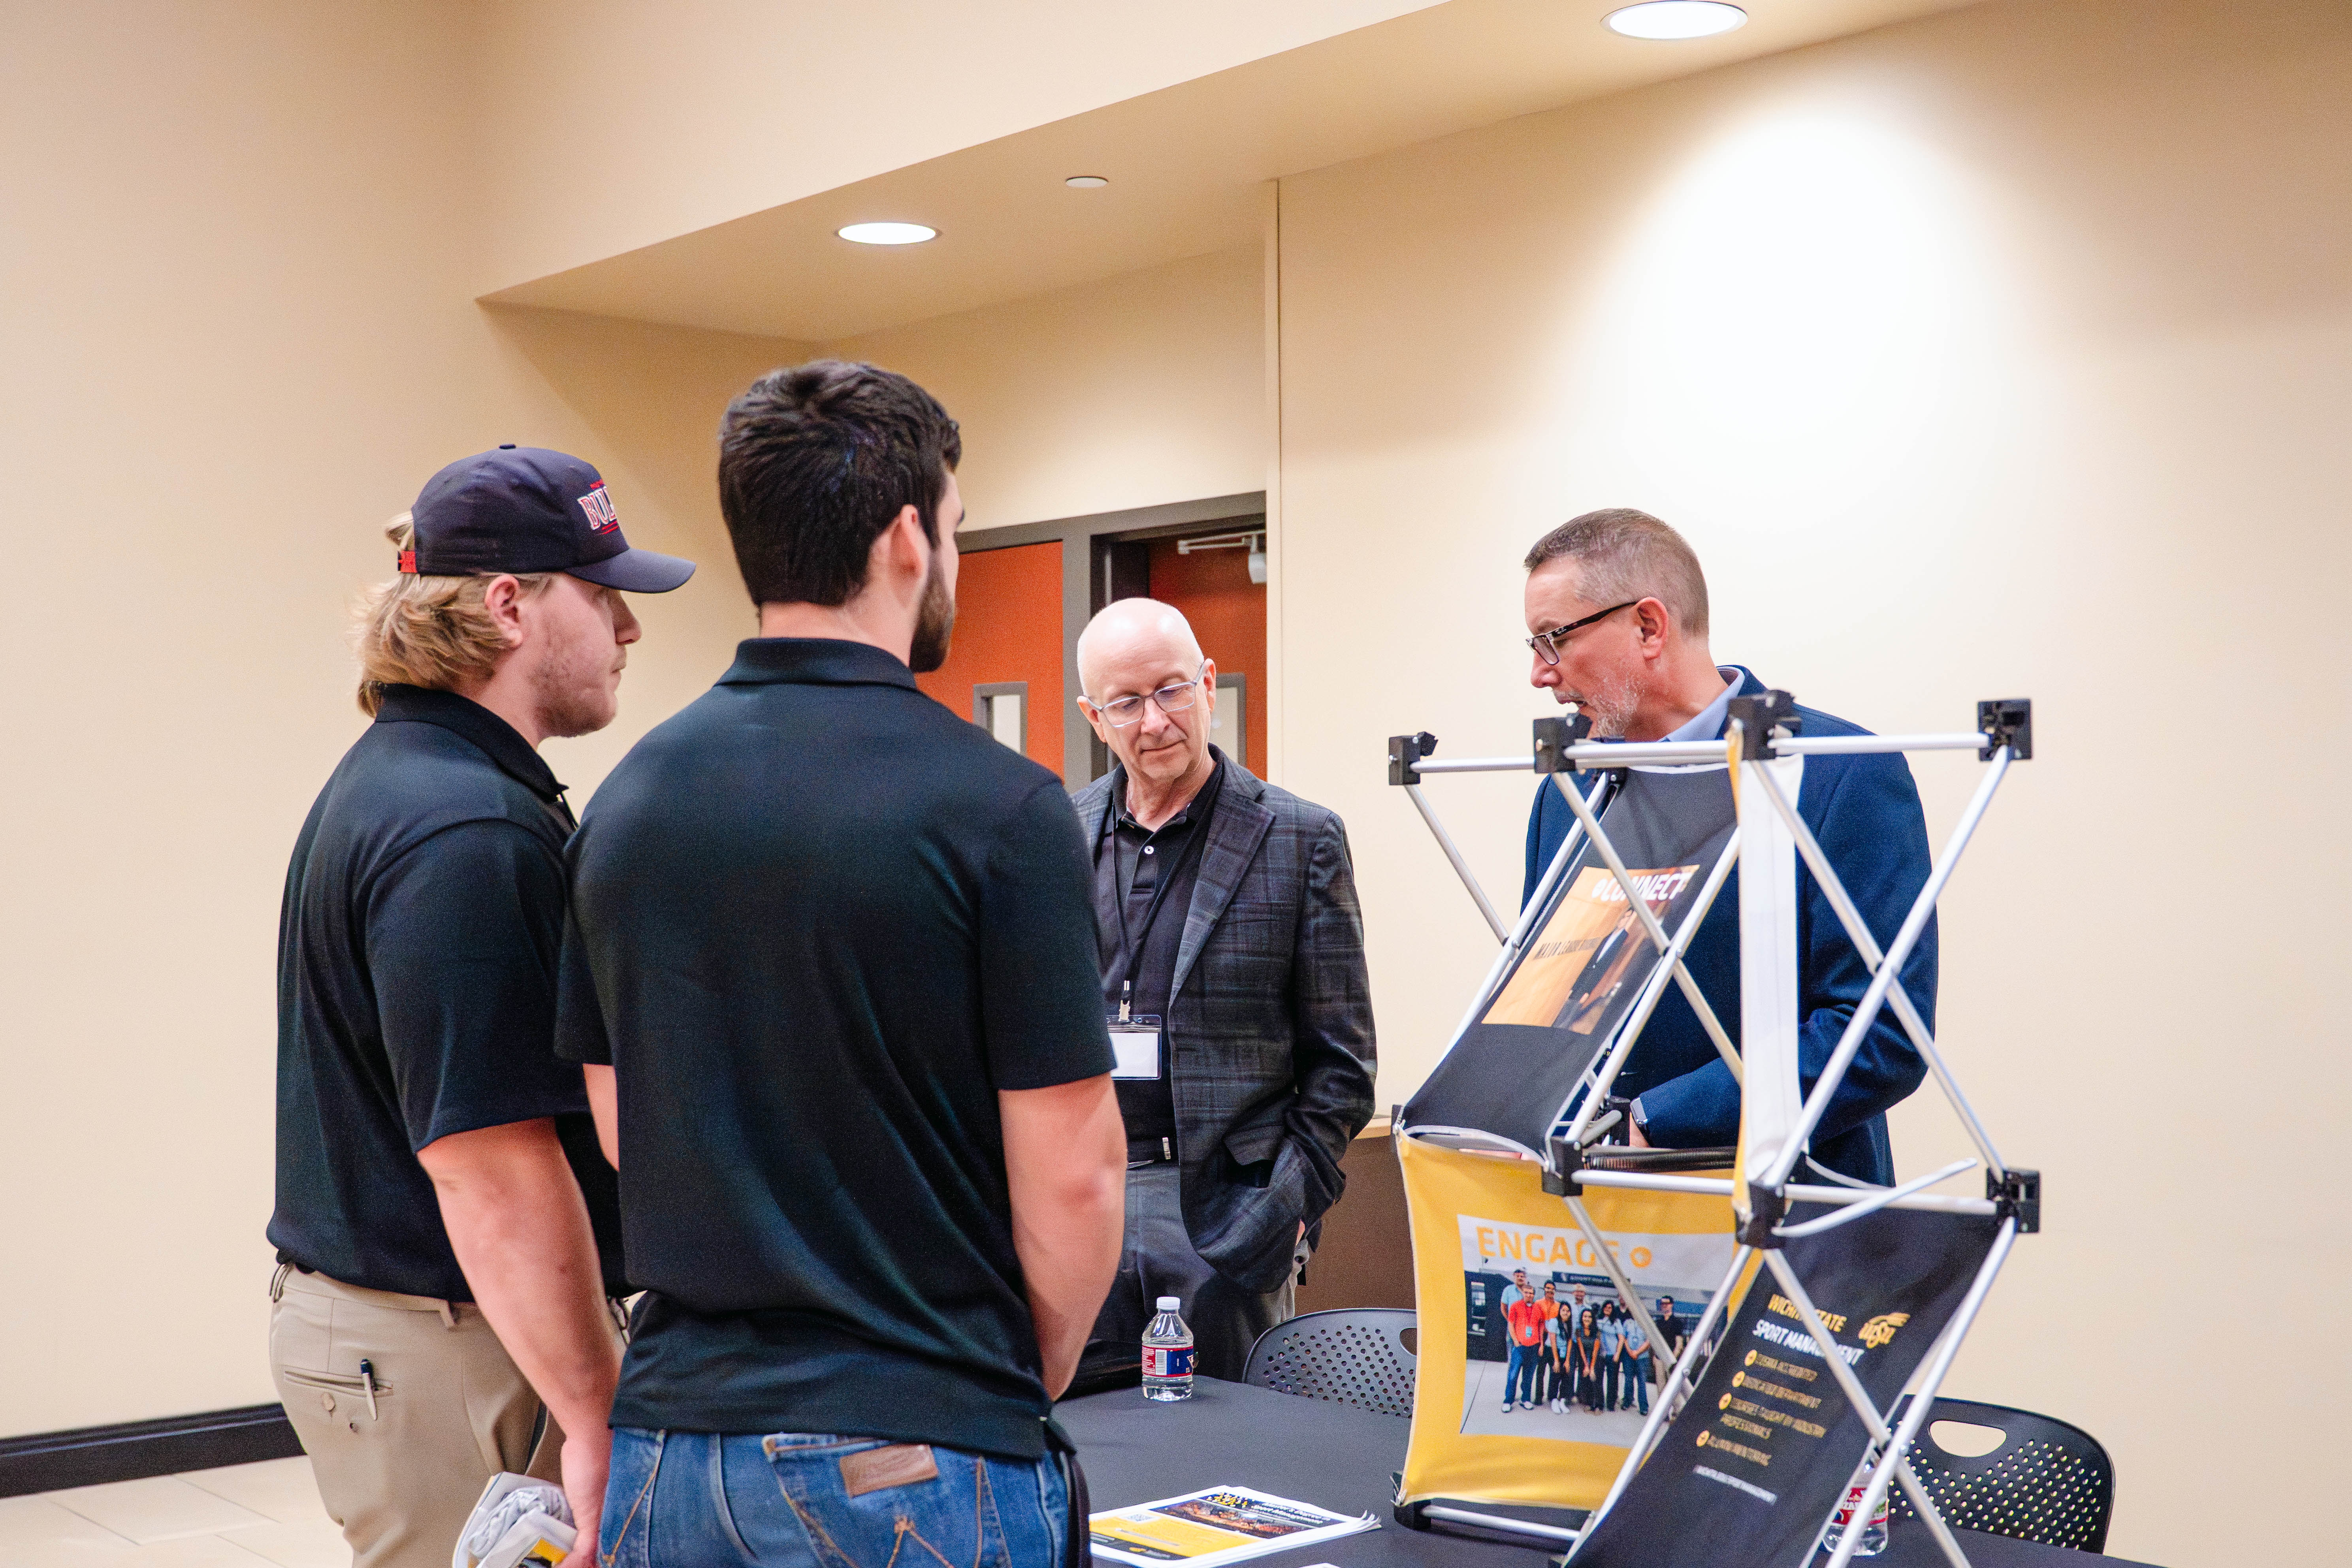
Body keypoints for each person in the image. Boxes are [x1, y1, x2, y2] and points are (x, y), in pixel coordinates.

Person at [556, 361, 1126, 1568]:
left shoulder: (627, 804)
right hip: (909, 1452)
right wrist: (1010, 1375)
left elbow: (620, 1119)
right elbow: (1073, 1173)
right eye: (961, 531)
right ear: (909, 538)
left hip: (673, 1443)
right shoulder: (1004, 811)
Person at [267, 447, 695, 1568]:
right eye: (605, 599)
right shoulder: (467, 833)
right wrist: (598, 1412)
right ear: (510, 605)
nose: (630, 631)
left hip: (419, 1325)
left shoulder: (412, 778)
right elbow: (490, 1164)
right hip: (453, 1343)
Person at [1520, 509, 1933, 1184]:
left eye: (1553, 639)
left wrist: (1655, 1117)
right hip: (1589, 1218)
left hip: (1785, 1224)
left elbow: (1880, 1033)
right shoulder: (1566, 793)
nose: (1541, 673)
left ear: (1647, 626)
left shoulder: (1839, 773)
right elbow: (1550, 1006)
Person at [1071, 597, 1377, 1383]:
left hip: (1223, 1214)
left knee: (1230, 1466)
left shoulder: (1300, 838)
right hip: (1080, 1203)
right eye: (1126, 702)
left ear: (1208, 683)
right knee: (1094, 1459)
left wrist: (1284, 1213)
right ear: (1094, 717)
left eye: (1172, 690)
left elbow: (1343, 1068)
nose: (1155, 720)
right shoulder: (1054, 836)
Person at [1502, 1281, 1548, 1413]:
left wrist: (1541, 1344)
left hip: (1533, 1347)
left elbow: (1541, 1326)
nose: (1529, 1295)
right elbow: (1511, 1324)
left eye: (1531, 1293)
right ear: (1523, 1293)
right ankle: (1508, 1400)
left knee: (1529, 1376)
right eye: (1527, 1293)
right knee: (1513, 1375)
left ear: (1534, 1295)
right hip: (1520, 1346)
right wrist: (1515, 1341)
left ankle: (1526, 1399)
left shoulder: (1538, 1308)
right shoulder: (1516, 1306)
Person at [1617, 1300, 1651, 1417]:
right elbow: (1624, 1338)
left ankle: (1644, 1407)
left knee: (1642, 1382)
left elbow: (1649, 1342)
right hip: (1629, 1356)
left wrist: (1637, 1352)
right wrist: (1630, 1352)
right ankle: (1627, 1401)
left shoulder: (1647, 1324)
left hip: (1642, 1357)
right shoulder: (1627, 1322)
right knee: (1628, 1380)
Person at [1535, 1280, 1563, 1412]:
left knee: (1555, 1370)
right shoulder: (1538, 1304)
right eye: (1548, 1288)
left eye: (1553, 1289)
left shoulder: (1559, 1306)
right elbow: (1536, 1323)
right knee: (1540, 1370)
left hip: (1554, 1339)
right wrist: (1540, 1343)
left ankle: (1552, 1396)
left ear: (1555, 1291)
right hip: (1542, 1337)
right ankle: (1539, 1396)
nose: (1550, 1291)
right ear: (1544, 1289)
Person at [1571, 1309, 1604, 1412]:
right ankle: (1589, 1403)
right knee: (1586, 1380)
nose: (1587, 1319)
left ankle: (1599, 1405)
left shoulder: (1597, 1331)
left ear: (1593, 1319)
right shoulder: (1578, 1330)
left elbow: (1596, 1350)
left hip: (1597, 1357)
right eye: (1585, 1316)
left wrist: (1592, 1368)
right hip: (1584, 1357)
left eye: (1590, 1317)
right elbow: (1581, 1349)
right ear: (1582, 1318)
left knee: (1595, 1379)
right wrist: (1586, 1366)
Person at [1597, 1302, 1624, 1411]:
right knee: (1599, 1378)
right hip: (1601, 1354)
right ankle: (1600, 1402)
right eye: (1606, 1307)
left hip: (1613, 1354)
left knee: (1612, 1380)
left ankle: (1611, 1404)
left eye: (1610, 1308)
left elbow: (1621, 1339)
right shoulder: (1598, 1320)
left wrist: (1618, 1354)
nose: (1608, 1309)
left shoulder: (1617, 1322)